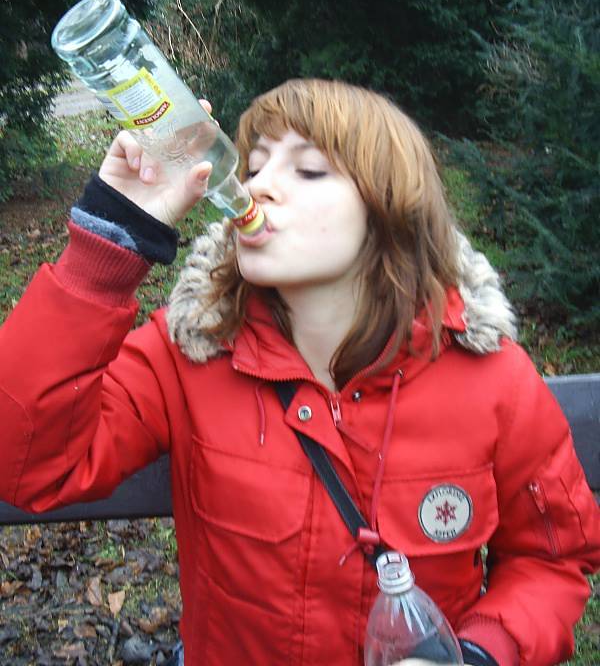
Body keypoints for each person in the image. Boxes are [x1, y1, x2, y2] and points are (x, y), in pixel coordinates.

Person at [0, 78, 598, 666]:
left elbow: (551, 560)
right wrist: (110, 239)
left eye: (309, 171)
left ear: (388, 209)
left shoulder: (494, 382)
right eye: (255, 166)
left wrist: (481, 652)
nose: (257, 186)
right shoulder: (188, 354)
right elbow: (25, 463)